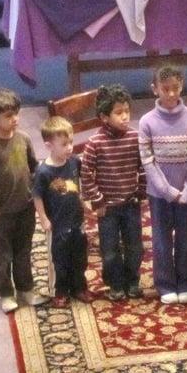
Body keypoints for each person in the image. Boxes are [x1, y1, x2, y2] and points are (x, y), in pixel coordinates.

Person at [0, 88, 49, 313]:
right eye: (8, 116)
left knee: (23, 250)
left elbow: (33, 166)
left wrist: (40, 188)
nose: (15, 119)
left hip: (25, 207)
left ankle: (25, 289)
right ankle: (6, 293)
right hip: (3, 212)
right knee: (3, 254)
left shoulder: (24, 138)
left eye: (16, 113)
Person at [139, 66, 187, 305]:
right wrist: (167, 191)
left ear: (182, 85)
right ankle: (165, 283)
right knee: (161, 238)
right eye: (165, 89)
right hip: (159, 194)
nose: (170, 94)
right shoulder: (146, 122)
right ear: (154, 88)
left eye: (175, 88)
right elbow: (147, 160)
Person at [81, 84, 146, 301]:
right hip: (107, 207)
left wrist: (141, 191)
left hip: (130, 203)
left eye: (127, 111)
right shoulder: (94, 143)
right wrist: (98, 200)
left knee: (135, 246)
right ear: (104, 117)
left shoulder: (135, 137)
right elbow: (86, 174)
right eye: (119, 113)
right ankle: (115, 284)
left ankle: (132, 280)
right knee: (109, 250)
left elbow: (144, 166)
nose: (125, 117)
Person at [33, 116, 93, 307]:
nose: (70, 147)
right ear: (49, 145)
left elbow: (78, 185)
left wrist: (85, 203)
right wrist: (43, 217)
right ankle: (61, 291)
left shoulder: (74, 162)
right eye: (64, 144)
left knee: (79, 256)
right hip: (57, 224)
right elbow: (37, 196)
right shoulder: (43, 172)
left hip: (77, 221)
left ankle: (79, 287)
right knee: (59, 259)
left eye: (71, 142)